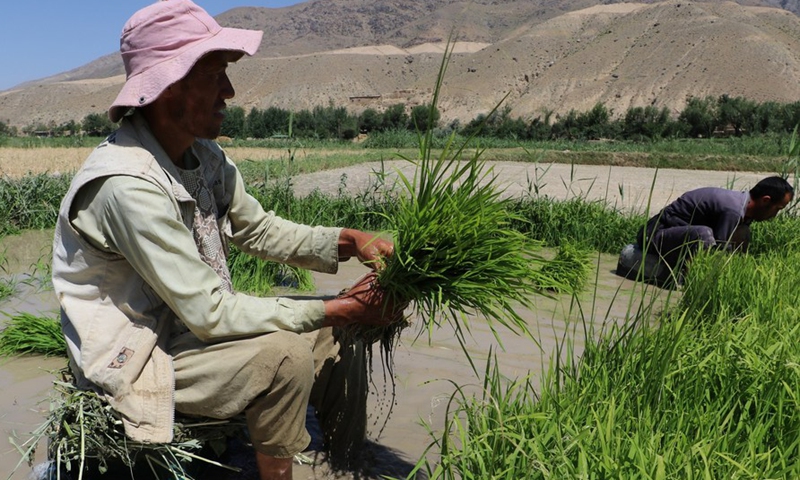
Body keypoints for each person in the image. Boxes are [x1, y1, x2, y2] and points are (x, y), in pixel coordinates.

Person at [51, 1, 403, 479]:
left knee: (336, 331)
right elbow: (210, 312)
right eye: (215, 75)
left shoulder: (204, 156)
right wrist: (339, 305)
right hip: (143, 353)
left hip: (190, 332)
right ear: (169, 85)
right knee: (284, 355)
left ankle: (351, 464)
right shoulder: (126, 186)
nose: (230, 91)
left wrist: (349, 240)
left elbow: (259, 229)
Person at [636, 175, 794, 271]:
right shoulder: (733, 210)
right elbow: (719, 251)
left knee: (742, 232)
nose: (775, 215)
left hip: (677, 236)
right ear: (765, 200)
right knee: (704, 235)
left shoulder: (743, 212)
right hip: (653, 235)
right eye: (777, 209)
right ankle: (690, 279)